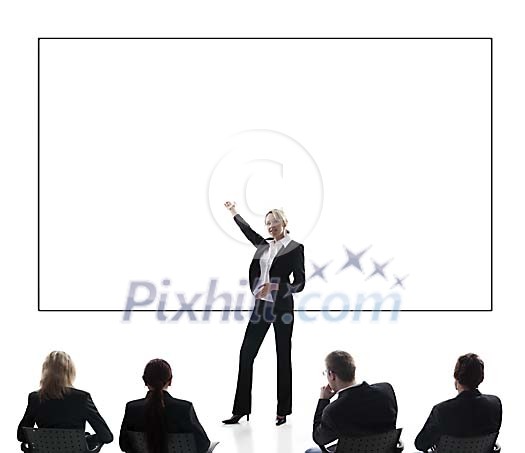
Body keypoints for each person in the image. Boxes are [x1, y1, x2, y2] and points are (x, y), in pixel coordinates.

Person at [222, 201, 305, 426]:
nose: (270, 226)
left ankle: (282, 411)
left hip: (282, 309)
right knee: (246, 354)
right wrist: (233, 212)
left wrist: (276, 286)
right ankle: (240, 410)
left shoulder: (295, 248)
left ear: (284, 222)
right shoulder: (264, 245)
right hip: (261, 307)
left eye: (274, 222)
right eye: (267, 223)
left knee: (282, 357)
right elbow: (247, 230)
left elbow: (300, 283)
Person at [17, 351, 113, 450]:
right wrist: (84, 439)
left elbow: (21, 435)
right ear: (70, 372)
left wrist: (44, 438)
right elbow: (106, 436)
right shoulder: (81, 398)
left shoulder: (35, 398)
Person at [306, 351, 398, 453]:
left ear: (332, 375)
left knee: (310, 451)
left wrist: (323, 401)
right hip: (382, 448)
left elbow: (319, 438)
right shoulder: (386, 390)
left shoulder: (334, 411)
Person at [119, 359, 213, 453]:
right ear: (170, 380)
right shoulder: (184, 408)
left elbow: (124, 445)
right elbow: (203, 445)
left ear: (145, 380)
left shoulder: (132, 409)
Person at [415, 353, 502, 452]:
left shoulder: (442, 411)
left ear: (456, 377)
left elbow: (421, 444)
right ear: (481, 378)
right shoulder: (495, 405)